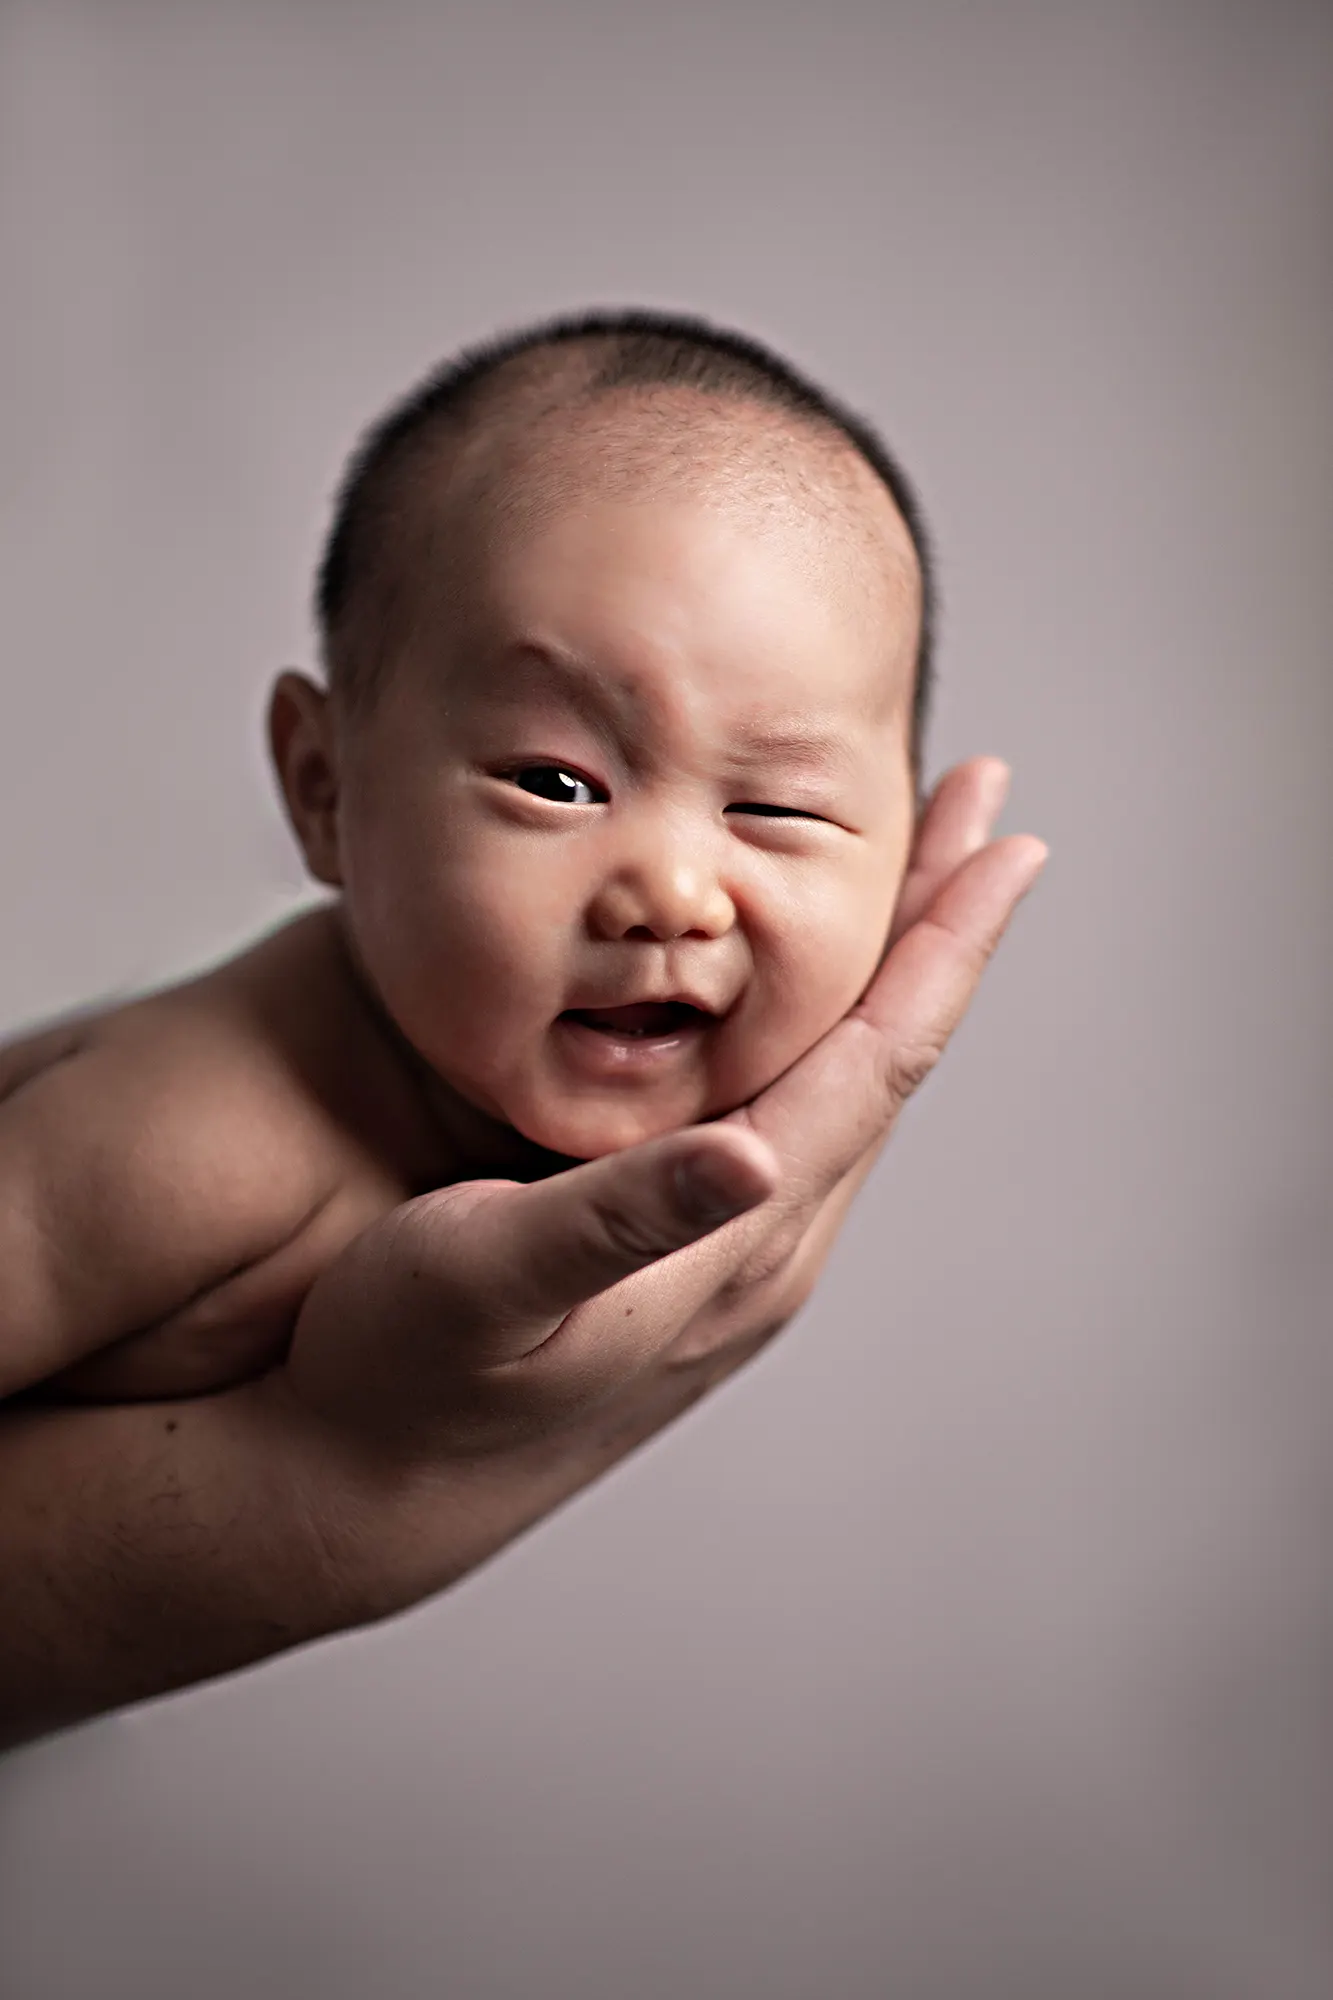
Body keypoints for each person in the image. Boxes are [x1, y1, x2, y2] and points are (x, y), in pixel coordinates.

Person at [0, 312, 1047, 1747]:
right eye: (556, 782)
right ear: (324, 789)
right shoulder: (192, 1136)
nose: (674, 891)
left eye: (779, 808)